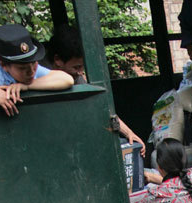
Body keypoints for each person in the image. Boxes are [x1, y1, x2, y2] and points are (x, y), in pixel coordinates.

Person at [43, 23, 146, 156]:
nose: (81, 72)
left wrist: (129, 134)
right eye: (77, 67)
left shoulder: (76, 76)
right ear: (57, 60)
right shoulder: (38, 74)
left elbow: (101, 107)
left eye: (82, 67)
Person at [0, 23, 73, 116]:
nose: (31, 72)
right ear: (4, 65)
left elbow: (67, 80)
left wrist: (26, 86)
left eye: (34, 63)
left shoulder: (34, 69)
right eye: (22, 68)